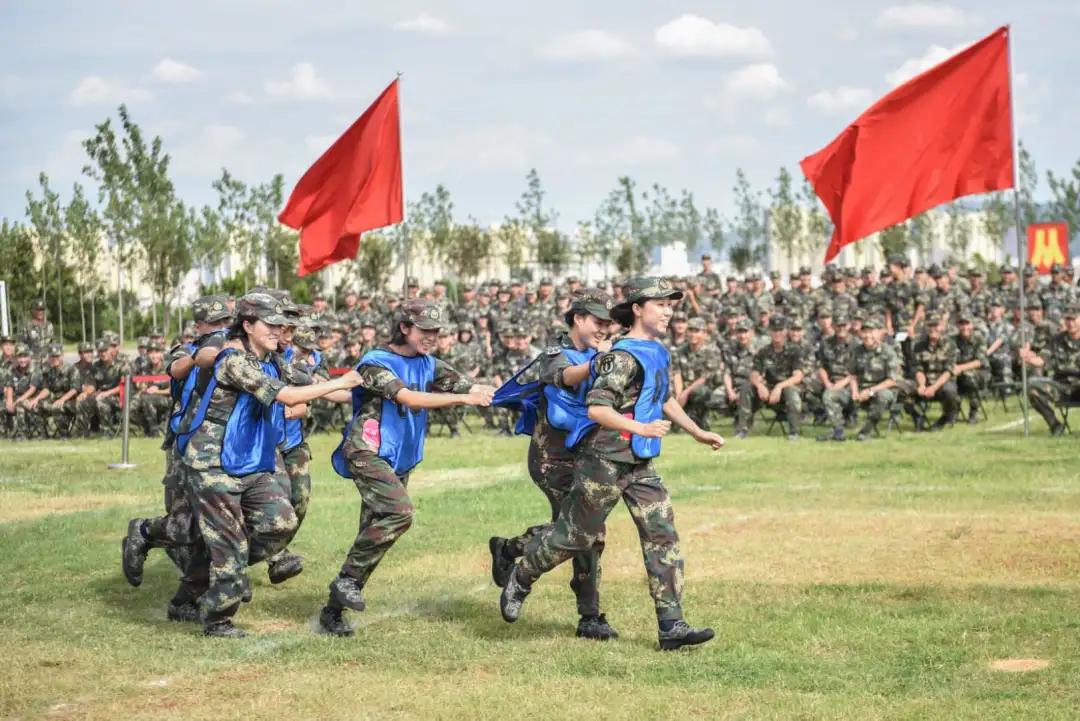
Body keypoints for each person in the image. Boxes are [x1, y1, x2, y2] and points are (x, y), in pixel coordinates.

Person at [499, 277, 723, 651]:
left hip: (641, 460)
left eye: (671, 305)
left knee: (662, 535)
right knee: (574, 537)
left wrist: (697, 431)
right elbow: (597, 408)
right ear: (637, 309)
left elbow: (661, 396)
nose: (668, 311)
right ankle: (521, 575)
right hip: (603, 459)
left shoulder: (657, 351)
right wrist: (639, 425)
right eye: (660, 305)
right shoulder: (620, 356)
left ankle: (672, 625)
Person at [177, 292, 366, 637]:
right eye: (271, 324)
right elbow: (288, 396)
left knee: (280, 523)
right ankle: (217, 618)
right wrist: (343, 382)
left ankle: (199, 583)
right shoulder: (233, 360)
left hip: (250, 461)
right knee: (229, 546)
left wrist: (367, 390)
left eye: (281, 325)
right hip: (211, 463)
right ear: (247, 325)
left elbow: (315, 386)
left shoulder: (274, 359)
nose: (278, 331)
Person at [318, 299, 495, 637]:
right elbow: (408, 397)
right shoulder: (376, 362)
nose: (431, 337)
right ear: (404, 327)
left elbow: (463, 384)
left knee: (374, 531)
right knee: (399, 513)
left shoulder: (429, 363)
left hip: (399, 455)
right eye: (425, 330)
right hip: (368, 450)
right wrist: (464, 399)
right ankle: (345, 582)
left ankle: (333, 610)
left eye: (436, 332)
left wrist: (487, 391)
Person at [488, 288, 617, 640]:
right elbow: (566, 377)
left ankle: (511, 548)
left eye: (609, 324)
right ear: (578, 318)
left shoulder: (604, 353)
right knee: (584, 534)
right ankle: (589, 616)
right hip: (553, 460)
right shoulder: (554, 354)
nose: (604, 329)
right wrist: (599, 361)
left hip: (590, 457)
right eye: (598, 322)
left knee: (582, 533)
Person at [1021, 304, 1080, 436]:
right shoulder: (1057, 340)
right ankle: (1055, 425)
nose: (1070, 323)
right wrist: (1027, 357)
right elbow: (1040, 360)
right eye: (1068, 320)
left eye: (1074, 319)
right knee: (1033, 388)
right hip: (1061, 385)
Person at [749, 317, 805, 440]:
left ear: (785, 332)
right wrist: (759, 386)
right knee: (746, 388)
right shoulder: (763, 352)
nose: (777, 333)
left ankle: (794, 432)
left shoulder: (795, 350)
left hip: (789, 388)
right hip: (769, 390)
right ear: (769, 332)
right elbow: (754, 374)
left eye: (780, 330)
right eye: (774, 330)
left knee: (790, 390)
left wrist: (779, 386)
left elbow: (798, 376)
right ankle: (742, 430)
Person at [906, 315, 959, 431]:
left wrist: (934, 388)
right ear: (925, 327)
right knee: (902, 389)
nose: (932, 329)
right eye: (930, 325)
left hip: (942, 383)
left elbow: (948, 371)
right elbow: (918, 369)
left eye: (936, 325)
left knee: (950, 391)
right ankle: (917, 417)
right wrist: (922, 385)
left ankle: (945, 418)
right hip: (924, 382)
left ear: (942, 327)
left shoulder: (950, 345)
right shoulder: (918, 346)